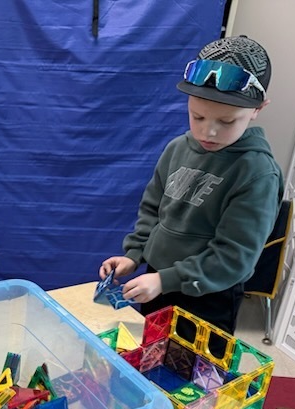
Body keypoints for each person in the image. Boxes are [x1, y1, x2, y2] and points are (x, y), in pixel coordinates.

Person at [100, 35, 284, 342]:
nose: (208, 131)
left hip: (208, 295)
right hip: (157, 280)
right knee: (151, 358)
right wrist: (134, 255)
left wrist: (165, 279)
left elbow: (233, 258)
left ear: (257, 109)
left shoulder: (257, 173)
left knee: (192, 379)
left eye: (227, 121)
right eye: (198, 116)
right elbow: (152, 210)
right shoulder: (177, 148)